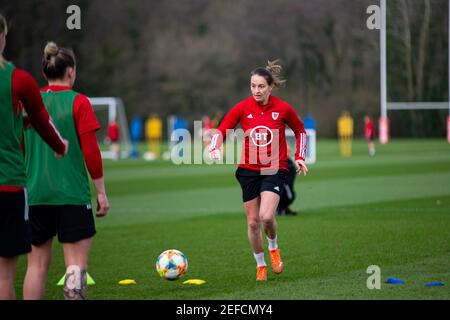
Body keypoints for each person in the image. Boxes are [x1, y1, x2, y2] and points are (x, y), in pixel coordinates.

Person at [23, 42, 109, 300]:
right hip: (71, 194)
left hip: (35, 193)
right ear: (70, 71)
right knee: (75, 265)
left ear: (45, 71)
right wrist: (101, 192)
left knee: (35, 267)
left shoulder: (29, 102)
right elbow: (91, 152)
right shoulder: (79, 102)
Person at [208, 60, 308, 281]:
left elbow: (301, 131)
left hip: (275, 168)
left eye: (261, 86)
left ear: (270, 87)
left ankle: (273, 247)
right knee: (253, 222)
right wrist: (215, 146)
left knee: (266, 217)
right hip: (248, 169)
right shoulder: (242, 108)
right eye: (253, 86)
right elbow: (222, 129)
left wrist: (299, 157)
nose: (256, 90)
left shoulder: (283, 108)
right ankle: (260, 264)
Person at [0, 15, 68, 300]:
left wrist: (19, 123)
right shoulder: (17, 79)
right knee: (4, 274)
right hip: (7, 184)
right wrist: (60, 145)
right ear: (2, 36)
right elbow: (43, 120)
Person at [277, 145, 298, 216]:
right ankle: (280, 208)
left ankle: (282, 208)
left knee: (290, 195)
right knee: (289, 195)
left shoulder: (290, 164)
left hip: (283, 185)